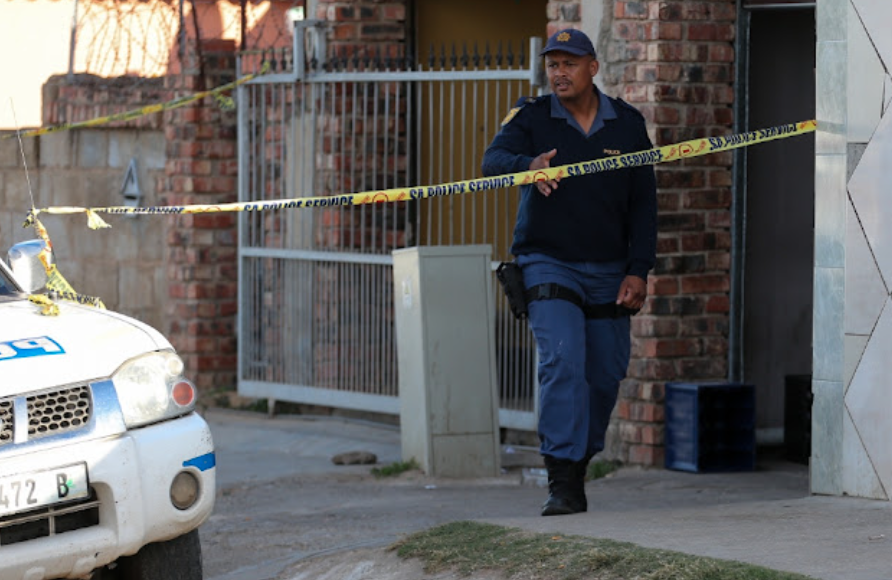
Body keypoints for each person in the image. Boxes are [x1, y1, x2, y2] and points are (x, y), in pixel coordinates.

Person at [482, 28, 657, 516]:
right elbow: (491, 161)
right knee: (561, 359)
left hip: (609, 268)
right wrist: (528, 164)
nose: (559, 72)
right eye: (553, 64)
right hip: (547, 261)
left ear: (593, 67)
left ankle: (579, 463)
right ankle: (561, 478)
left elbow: (644, 204)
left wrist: (638, 270)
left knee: (603, 375)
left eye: (569, 63)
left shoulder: (626, 123)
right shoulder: (531, 117)